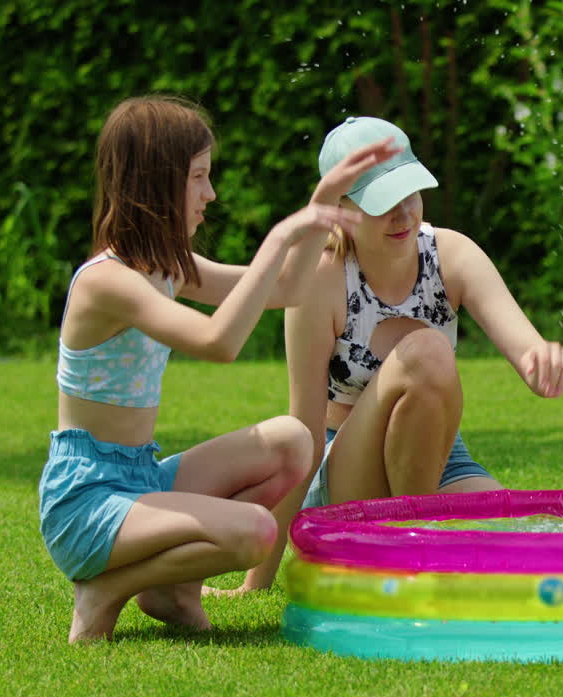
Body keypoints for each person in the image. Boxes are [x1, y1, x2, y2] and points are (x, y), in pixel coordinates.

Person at [39, 96, 400, 643]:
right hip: (86, 501)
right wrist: (279, 238)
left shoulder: (168, 268)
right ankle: (106, 590)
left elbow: (286, 289)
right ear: (157, 185)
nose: (210, 194)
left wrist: (319, 205)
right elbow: (218, 341)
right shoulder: (105, 282)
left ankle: (172, 590)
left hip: (139, 480)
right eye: (199, 178)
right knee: (254, 533)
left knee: (294, 442)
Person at [228, 116, 563, 592]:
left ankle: (418, 541)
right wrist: (257, 581)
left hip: (439, 458)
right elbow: (303, 433)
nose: (403, 215)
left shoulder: (451, 255)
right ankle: (417, 551)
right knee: (427, 353)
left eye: (409, 194)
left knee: (525, 539)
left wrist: (543, 361)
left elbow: (527, 346)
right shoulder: (318, 282)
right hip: (347, 464)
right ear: (342, 208)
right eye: (383, 203)